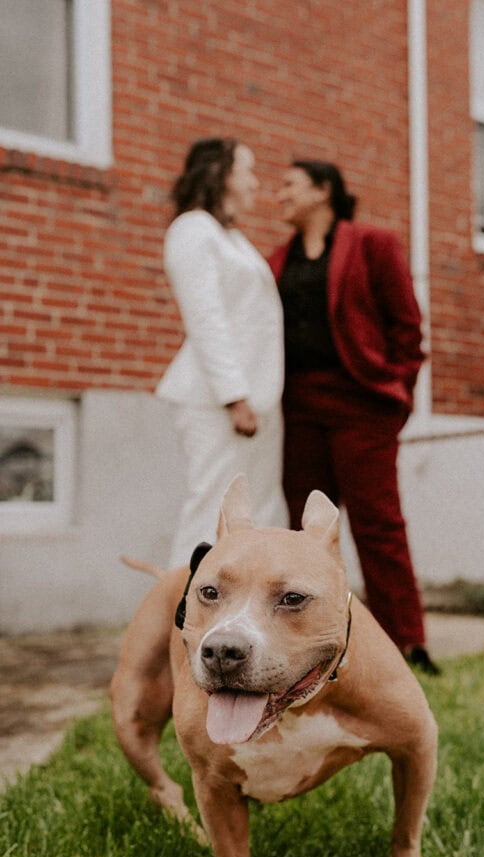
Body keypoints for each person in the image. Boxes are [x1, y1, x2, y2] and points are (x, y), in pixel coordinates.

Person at [268, 159, 440, 674]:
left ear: (323, 191)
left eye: (289, 184)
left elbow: (407, 328)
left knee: (378, 525)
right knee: (307, 532)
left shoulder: (373, 244)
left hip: (362, 405)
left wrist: (396, 397)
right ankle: (312, 642)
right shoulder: (277, 260)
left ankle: (407, 643)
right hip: (297, 407)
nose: (280, 195)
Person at [157, 138, 287, 568]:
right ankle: (180, 625)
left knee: (257, 518)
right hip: (219, 401)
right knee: (209, 515)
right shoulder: (192, 229)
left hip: (258, 402)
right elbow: (205, 318)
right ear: (222, 174)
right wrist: (235, 396)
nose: (255, 182)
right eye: (247, 170)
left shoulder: (231, 237)